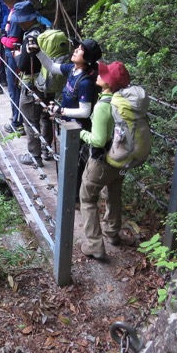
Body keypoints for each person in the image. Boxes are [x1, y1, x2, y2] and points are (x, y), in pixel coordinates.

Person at [78, 61, 132, 259]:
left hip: (101, 162)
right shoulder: (124, 102)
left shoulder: (103, 106)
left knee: (88, 198)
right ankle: (112, 233)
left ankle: (94, 245)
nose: (99, 75)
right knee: (114, 193)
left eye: (103, 74)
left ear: (109, 83)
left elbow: (99, 140)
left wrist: (82, 134)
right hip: (121, 159)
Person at [36, 37, 102, 199]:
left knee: (75, 165)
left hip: (79, 130)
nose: (75, 50)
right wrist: (37, 51)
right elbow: (51, 66)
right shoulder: (72, 69)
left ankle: (73, 200)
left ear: (86, 58)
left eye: (79, 50)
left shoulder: (86, 82)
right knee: (67, 162)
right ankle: (68, 195)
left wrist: (61, 110)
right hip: (68, 126)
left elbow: (85, 112)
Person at [11, 1, 52, 167]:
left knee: (30, 120)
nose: (19, 23)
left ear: (27, 19)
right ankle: (46, 150)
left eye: (21, 20)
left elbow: (23, 64)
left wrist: (17, 55)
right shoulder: (45, 30)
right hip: (48, 80)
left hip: (32, 84)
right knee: (46, 117)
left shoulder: (30, 37)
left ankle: (34, 156)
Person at [0, 0, 27, 135]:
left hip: (13, 56)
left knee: (14, 89)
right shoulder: (16, 11)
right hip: (16, 55)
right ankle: (18, 119)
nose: (3, 1)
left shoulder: (16, 15)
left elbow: (13, 41)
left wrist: (2, 38)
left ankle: (18, 122)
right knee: (15, 88)